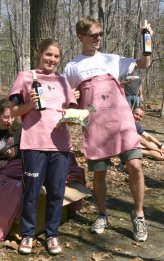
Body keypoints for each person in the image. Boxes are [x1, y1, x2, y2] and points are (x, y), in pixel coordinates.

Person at [64, 16, 153, 242]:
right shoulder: (73, 67)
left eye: (100, 34)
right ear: (81, 37)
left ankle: (139, 215)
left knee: (135, 165)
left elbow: (144, 64)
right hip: (96, 127)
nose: (98, 38)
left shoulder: (112, 59)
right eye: (93, 35)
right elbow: (66, 98)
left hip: (122, 123)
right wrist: (71, 101)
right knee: (99, 173)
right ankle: (103, 214)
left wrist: (147, 38)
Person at [9, 39, 77, 255]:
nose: (52, 59)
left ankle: (52, 234)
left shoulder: (63, 81)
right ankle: (28, 235)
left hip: (60, 146)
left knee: (56, 193)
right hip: (34, 144)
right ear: (40, 54)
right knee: (32, 192)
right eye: (49, 54)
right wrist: (30, 104)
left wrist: (73, 117)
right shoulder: (25, 77)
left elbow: (73, 113)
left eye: (56, 56)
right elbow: (12, 111)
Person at [0, 97, 22, 240]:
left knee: (16, 187)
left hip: (13, 169)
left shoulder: (19, 130)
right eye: (6, 117)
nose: (10, 121)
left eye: (13, 117)